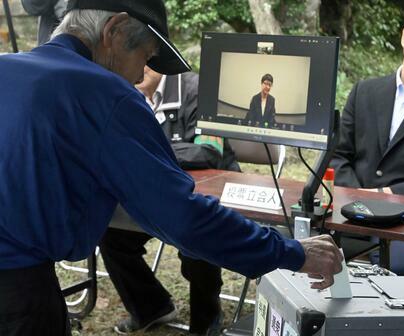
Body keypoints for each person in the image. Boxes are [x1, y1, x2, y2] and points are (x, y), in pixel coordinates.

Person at [0, 1, 343, 335]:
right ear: (114, 31)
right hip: (17, 290)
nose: (139, 74)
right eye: (145, 57)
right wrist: (291, 251)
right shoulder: (105, 93)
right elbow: (183, 219)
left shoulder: (8, 68)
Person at [100, 66, 239, 335]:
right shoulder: (123, 92)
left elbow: (209, 151)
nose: (134, 69)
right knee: (110, 232)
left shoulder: (200, 89)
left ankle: (206, 318)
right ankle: (151, 308)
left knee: (196, 236)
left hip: (204, 194)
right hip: (154, 194)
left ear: (156, 58)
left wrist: (148, 150)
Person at [331, 4, 404, 276]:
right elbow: (337, 157)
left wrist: (384, 198)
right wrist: (358, 199)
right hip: (349, 211)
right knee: (301, 245)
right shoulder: (364, 91)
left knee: (399, 269)